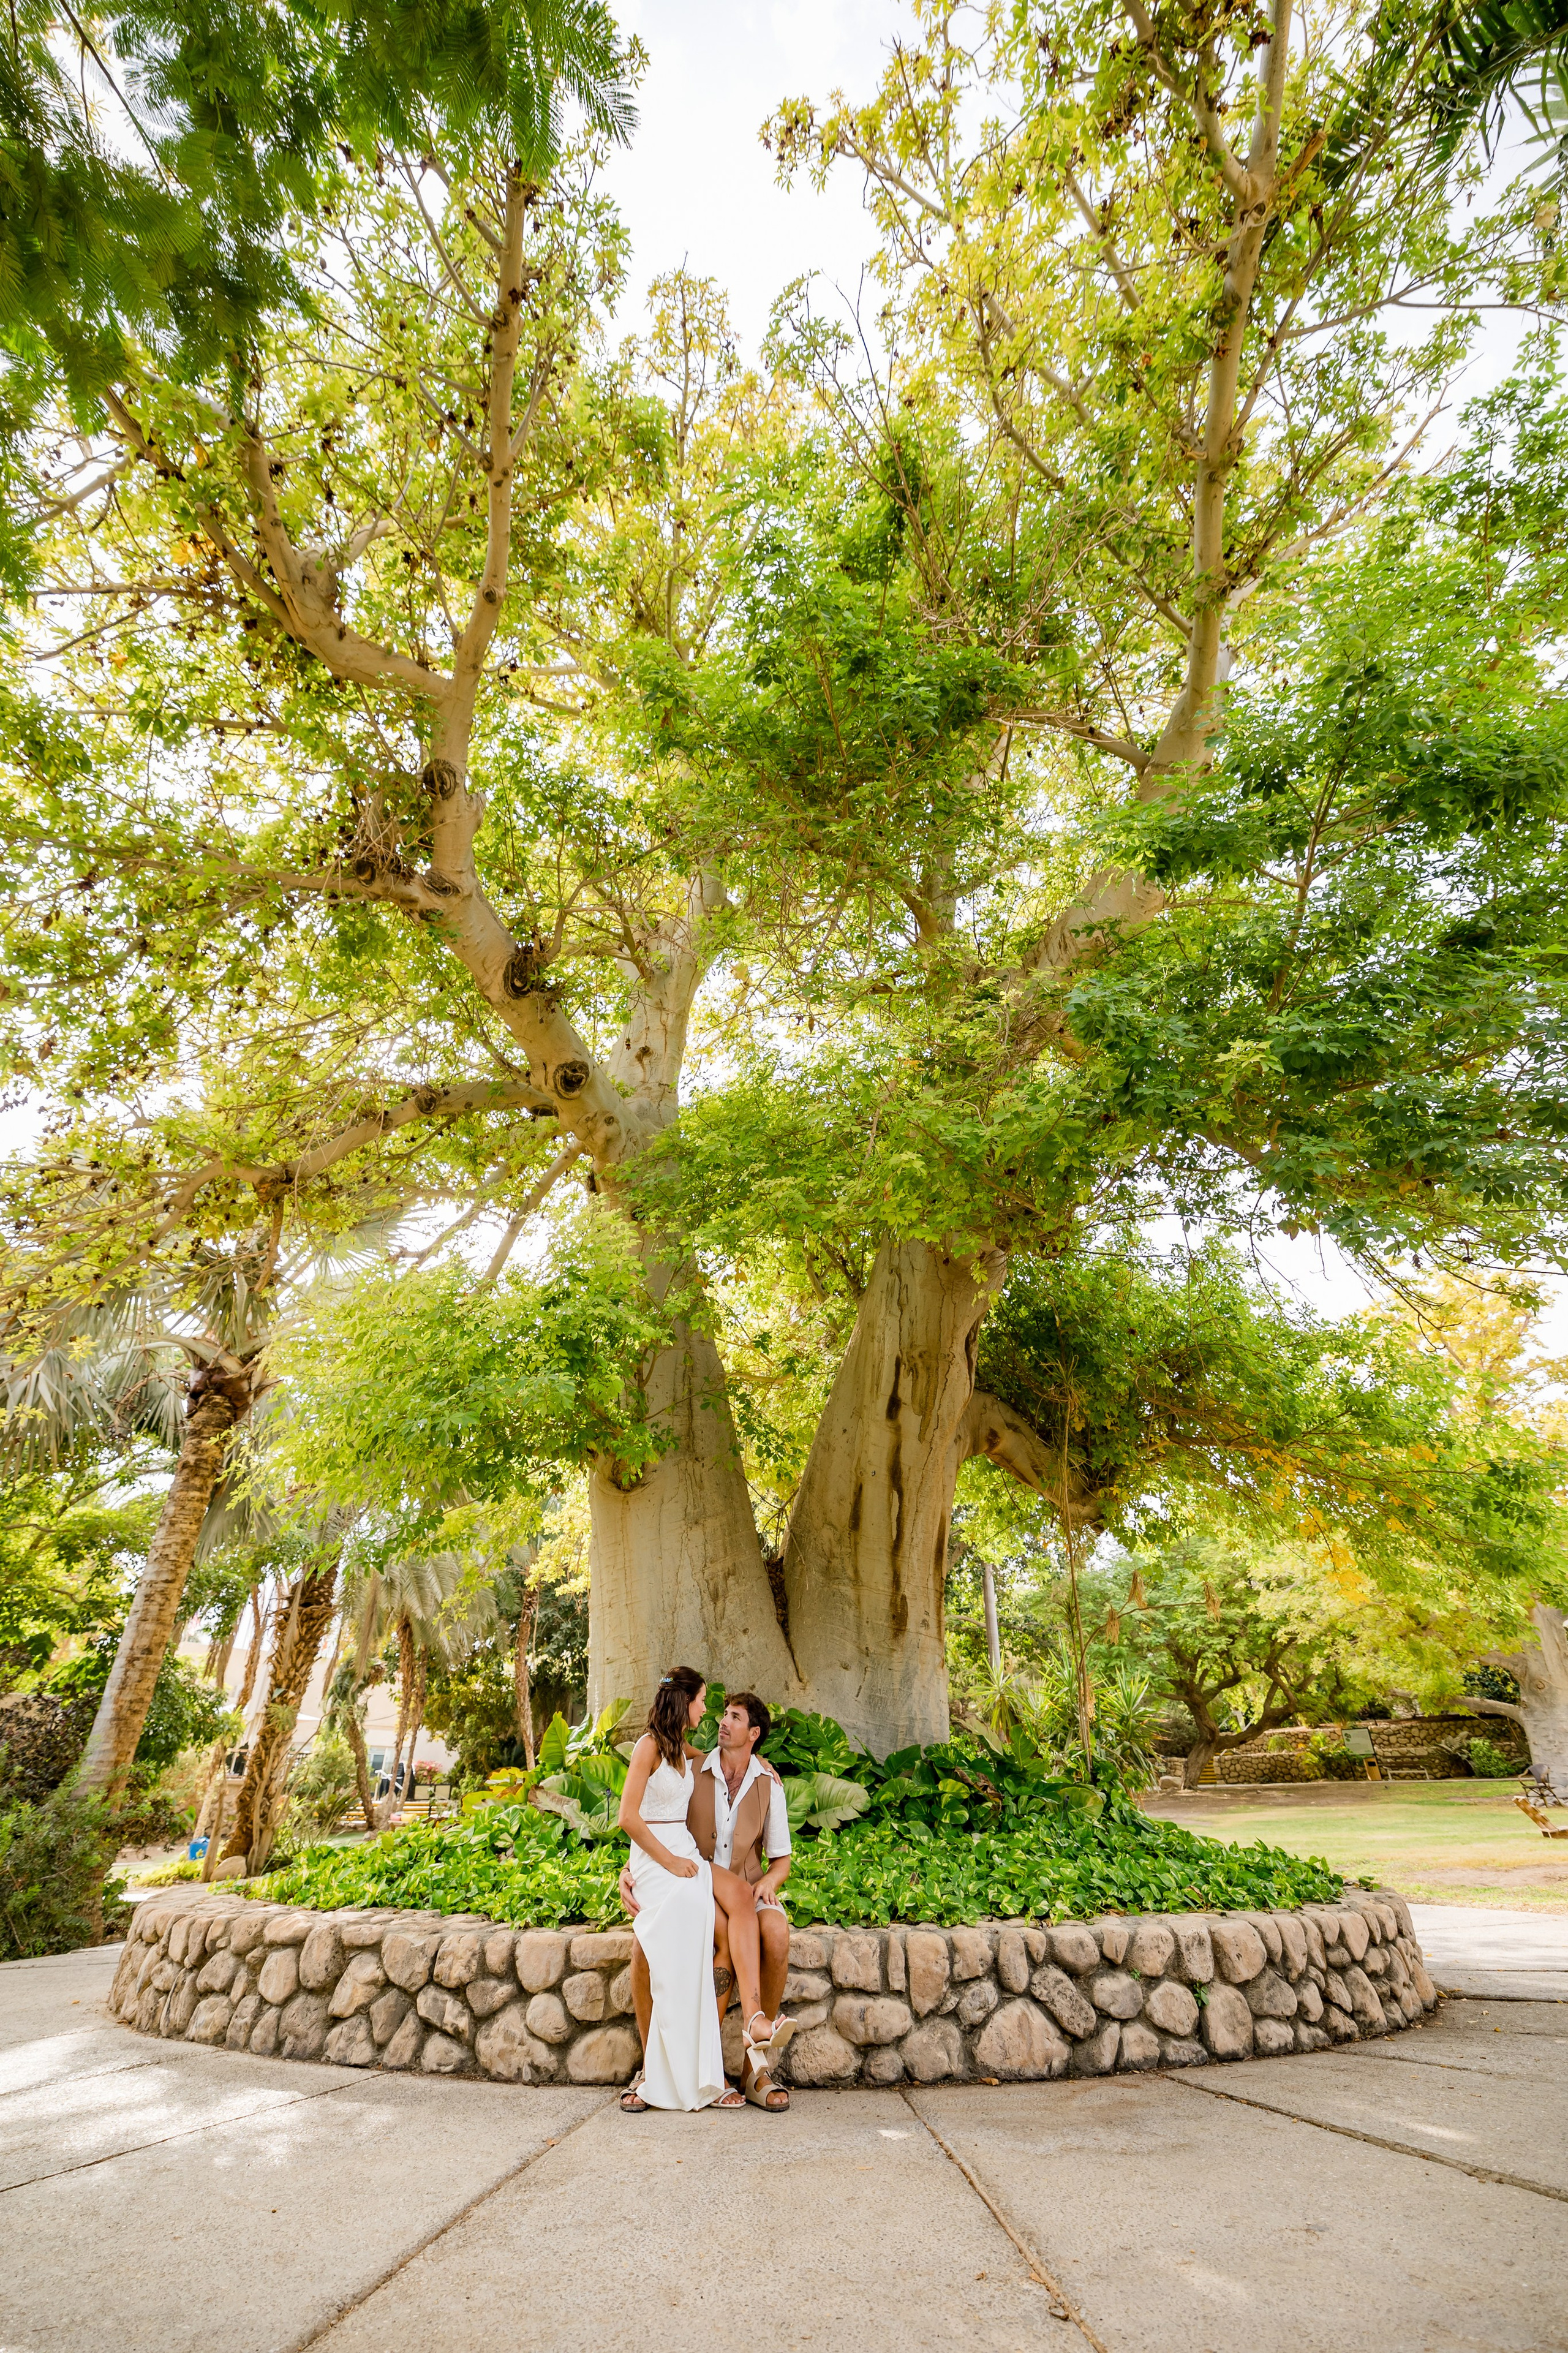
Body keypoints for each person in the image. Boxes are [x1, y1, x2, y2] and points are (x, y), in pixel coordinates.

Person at [616, 1666, 786, 2113]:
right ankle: (673, 2067)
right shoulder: (648, 1746)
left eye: (727, 1712)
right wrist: (658, 1863)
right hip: (663, 1862)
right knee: (721, 1928)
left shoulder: (682, 1749)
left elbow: (718, 1758)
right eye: (704, 1702)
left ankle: (753, 2017)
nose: (709, 1712)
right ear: (684, 1702)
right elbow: (629, 1817)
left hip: (684, 1853)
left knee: (740, 1902)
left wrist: (760, 1762)